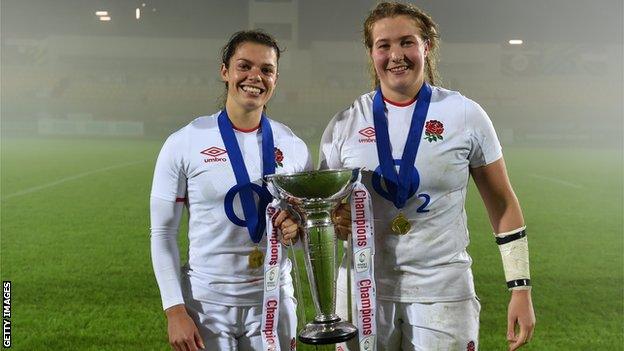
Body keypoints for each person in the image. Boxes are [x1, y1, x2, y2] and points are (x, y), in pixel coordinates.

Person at [320, 2, 535, 350]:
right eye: (384, 45)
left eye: (407, 42)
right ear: (371, 52)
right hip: (363, 290)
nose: (396, 55)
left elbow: (503, 203)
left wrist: (520, 288)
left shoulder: (464, 115)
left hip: (444, 290)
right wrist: (335, 218)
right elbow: (326, 211)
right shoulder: (346, 123)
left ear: (426, 46)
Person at [150, 30, 311, 351]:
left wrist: (299, 227)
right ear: (225, 71)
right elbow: (162, 232)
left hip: (273, 299)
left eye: (266, 69)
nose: (255, 77)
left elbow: (306, 224)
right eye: (244, 66)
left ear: (276, 78)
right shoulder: (185, 141)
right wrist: (174, 309)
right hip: (206, 304)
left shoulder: (294, 147)